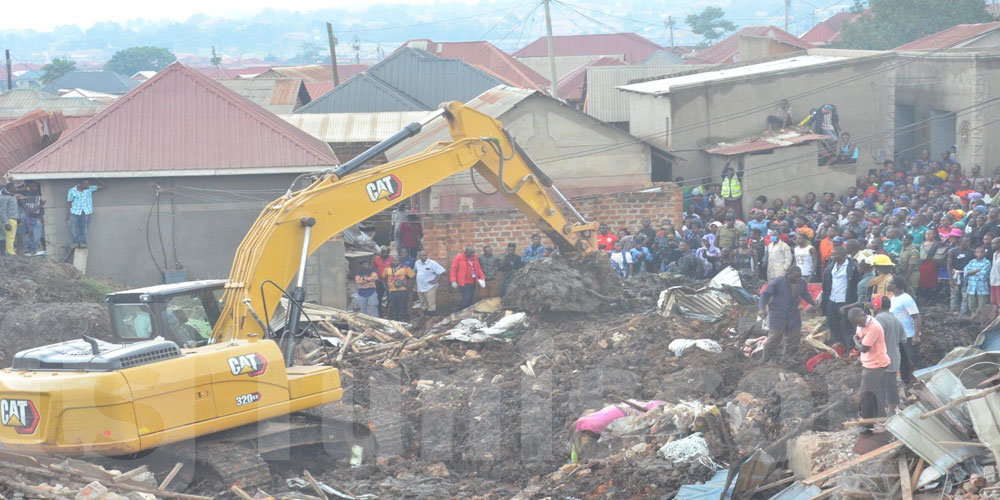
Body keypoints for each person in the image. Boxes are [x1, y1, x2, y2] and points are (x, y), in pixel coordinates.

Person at [759, 266, 818, 362]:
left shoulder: (802, 282)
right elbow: (765, 295)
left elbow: (805, 294)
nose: (798, 279)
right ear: (788, 275)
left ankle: (787, 355)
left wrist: (814, 303)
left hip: (793, 312)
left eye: (800, 276)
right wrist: (762, 309)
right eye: (796, 277)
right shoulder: (777, 282)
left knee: (794, 335)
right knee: (775, 336)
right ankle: (766, 356)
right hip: (778, 313)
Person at [849, 307, 891, 435]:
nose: (858, 325)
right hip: (869, 363)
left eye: (859, 322)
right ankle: (880, 421)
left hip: (876, 364)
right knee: (874, 393)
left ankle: (867, 427)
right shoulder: (860, 323)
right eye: (856, 324)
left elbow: (864, 348)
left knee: (866, 395)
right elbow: (860, 339)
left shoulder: (874, 327)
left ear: (863, 315)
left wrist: (855, 340)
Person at [887, 276, 923, 385]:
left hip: (909, 335)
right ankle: (906, 382)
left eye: (889, 283)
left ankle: (929, 379)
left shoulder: (906, 299)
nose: (887, 284)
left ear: (894, 286)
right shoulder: (894, 298)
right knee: (902, 360)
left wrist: (916, 336)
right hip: (899, 336)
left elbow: (916, 317)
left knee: (915, 359)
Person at [872, 295, 903, 415]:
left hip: (881, 358)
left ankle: (880, 413)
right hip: (895, 357)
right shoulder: (896, 319)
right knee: (892, 385)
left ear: (877, 306)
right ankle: (892, 410)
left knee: (879, 386)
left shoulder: (879, 318)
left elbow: (875, 338)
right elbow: (903, 338)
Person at [822, 246, 858, 349]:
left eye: (834, 254)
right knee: (832, 323)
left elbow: (855, 283)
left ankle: (849, 347)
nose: (832, 256)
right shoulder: (831, 264)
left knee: (847, 325)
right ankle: (839, 343)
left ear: (843, 255)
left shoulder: (852, 266)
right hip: (832, 299)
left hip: (845, 301)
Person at [66, 180, 104, 249]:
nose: (88, 186)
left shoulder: (89, 189)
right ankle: (76, 242)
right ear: (81, 184)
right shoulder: (72, 191)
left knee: (84, 228)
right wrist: (68, 215)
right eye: (86, 184)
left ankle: (83, 243)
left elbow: (103, 186)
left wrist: (97, 178)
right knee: (74, 228)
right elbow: (69, 203)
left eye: (88, 184)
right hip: (74, 212)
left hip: (86, 212)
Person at [450, 246, 485, 310]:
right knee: (466, 297)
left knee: (471, 297)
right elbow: (453, 269)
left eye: (473, 253)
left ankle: (467, 310)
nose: (472, 255)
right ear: (466, 252)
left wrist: (482, 277)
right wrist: (453, 280)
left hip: (473, 281)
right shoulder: (458, 258)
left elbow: (478, 268)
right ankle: (458, 310)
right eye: (470, 253)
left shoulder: (474, 257)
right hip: (463, 282)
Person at [15, 180, 44, 256]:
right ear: (29, 187)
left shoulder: (41, 193)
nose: (35, 188)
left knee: (37, 234)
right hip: (25, 217)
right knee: (26, 234)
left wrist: (41, 215)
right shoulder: (24, 193)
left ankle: (34, 249)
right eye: (33, 186)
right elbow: (14, 193)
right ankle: (28, 249)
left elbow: (42, 207)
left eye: (36, 186)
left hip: (36, 217)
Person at [383, 256, 415, 321]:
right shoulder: (387, 268)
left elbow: (413, 276)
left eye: (397, 260)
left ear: (399, 261)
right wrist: (386, 286)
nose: (395, 262)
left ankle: (403, 320)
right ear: (392, 261)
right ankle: (395, 320)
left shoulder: (405, 268)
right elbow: (383, 277)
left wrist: (408, 286)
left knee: (402, 306)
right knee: (393, 306)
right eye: (394, 260)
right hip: (392, 291)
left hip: (402, 290)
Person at [948, 235, 975, 313]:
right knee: (954, 294)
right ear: (960, 241)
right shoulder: (952, 251)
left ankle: (963, 312)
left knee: (965, 295)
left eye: (968, 241)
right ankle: (953, 312)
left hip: (967, 276)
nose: (967, 243)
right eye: (965, 241)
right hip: (956, 274)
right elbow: (949, 265)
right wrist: (950, 279)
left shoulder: (973, 252)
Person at [414, 251, 446, 316]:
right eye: (422, 255)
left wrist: (436, 280)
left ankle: (432, 317)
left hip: (430, 287)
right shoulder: (417, 263)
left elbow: (443, 272)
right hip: (420, 287)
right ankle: (425, 317)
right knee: (422, 302)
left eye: (425, 255)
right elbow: (415, 271)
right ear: (419, 256)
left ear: (427, 256)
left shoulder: (432, 263)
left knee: (431, 303)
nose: (423, 257)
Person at [964, 246, 992, 314]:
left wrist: (971, 272)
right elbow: (965, 271)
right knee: (972, 306)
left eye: (981, 252)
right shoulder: (972, 261)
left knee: (982, 307)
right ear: (975, 254)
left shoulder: (987, 262)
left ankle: (982, 322)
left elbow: (983, 275)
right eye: (978, 252)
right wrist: (976, 271)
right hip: (971, 288)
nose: (980, 254)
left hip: (982, 289)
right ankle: (974, 321)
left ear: (984, 253)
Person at [371, 247, 392, 315]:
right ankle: (379, 313)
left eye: (384, 252)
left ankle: (388, 312)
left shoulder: (391, 258)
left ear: (388, 252)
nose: (383, 253)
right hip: (379, 281)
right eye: (382, 252)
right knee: (379, 297)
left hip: (389, 281)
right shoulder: (376, 258)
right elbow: (373, 268)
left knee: (390, 297)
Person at [0, 184, 17, 256]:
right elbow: (2, 211)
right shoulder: (4, 198)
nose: (16, 188)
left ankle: (10, 251)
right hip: (9, 220)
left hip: (13, 219)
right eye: (14, 187)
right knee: (9, 237)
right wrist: (6, 223)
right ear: (10, 188)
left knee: (11, 237)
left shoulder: (11, 196)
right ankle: (10, 253)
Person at [991, 237, 1000, 308]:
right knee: (994, 300)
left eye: (994, 243)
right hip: (994, 280)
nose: (992, 245)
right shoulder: (994, 254)